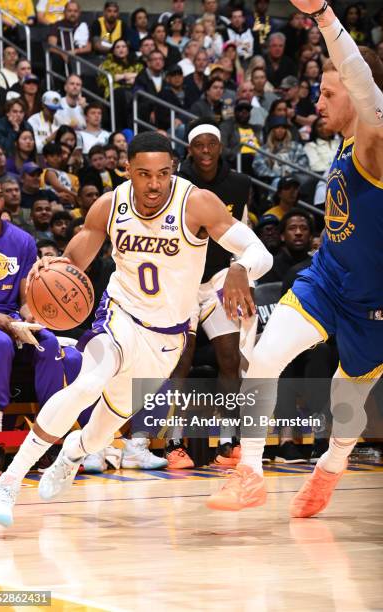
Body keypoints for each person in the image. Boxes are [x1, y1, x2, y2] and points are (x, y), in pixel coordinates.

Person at [0, 131, 272, 525]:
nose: (154, 184)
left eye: (163, 173)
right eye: (144, 173)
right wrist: (50, 274)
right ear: (128, 170)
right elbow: (73, 260)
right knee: (86, 382)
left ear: (174, 169)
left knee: (101, 433)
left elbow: (259, 252)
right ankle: (9, 485)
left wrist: (239, 268)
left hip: (167, 338)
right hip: (119, 316)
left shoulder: (196, 203)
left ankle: (73, 453)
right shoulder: (110, 205)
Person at [206, 0, 383, 517]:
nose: (317, 101)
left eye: (328, 93)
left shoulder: (375, 141)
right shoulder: (347, 145)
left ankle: (330, 467)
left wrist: (324, 16)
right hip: (327, 280)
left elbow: (364, 85)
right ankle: (251, 474)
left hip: (373, 303)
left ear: (354, 93)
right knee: (263, 358)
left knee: (344, 403)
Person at [0, 175, 70, 478]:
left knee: (50, 343)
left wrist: (30, 317)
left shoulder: (23, 240)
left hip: (10, 317)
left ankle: (47, 441)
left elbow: (25, 297)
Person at [178, 118, 254, 466]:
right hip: (183, 280)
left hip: (222, 277)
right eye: (199, 145)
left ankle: (227, 440)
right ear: (190, 150)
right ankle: (173, 444)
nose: (206, 151)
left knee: (230, 357)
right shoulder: (178, 183)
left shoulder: (239, 184)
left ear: (220, 147)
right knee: (179, 359)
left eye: (212, 144)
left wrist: (243, 270)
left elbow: (245, 232)